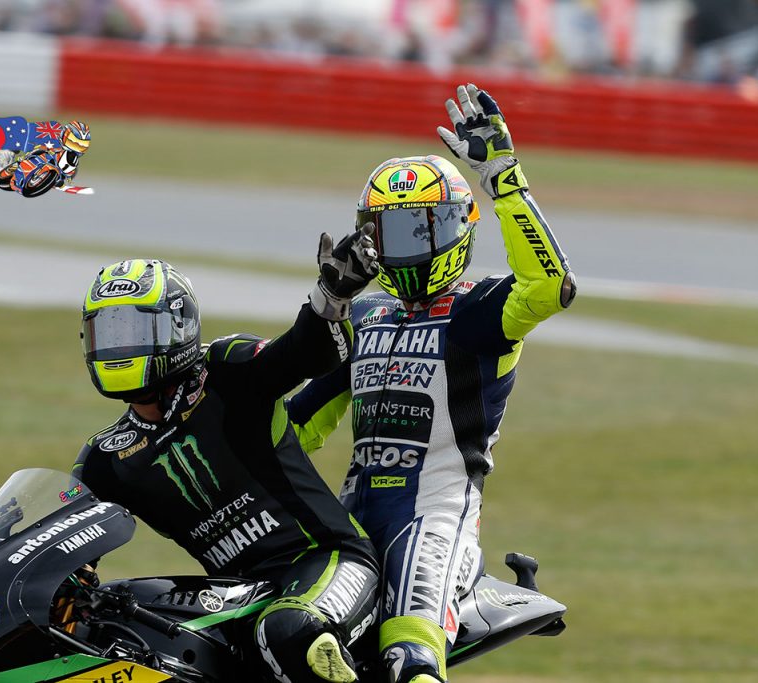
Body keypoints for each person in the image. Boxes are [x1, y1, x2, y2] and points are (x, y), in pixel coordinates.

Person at [288, 84, 576, 683]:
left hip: (436, 516)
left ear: (458, 229)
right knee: (292, 639)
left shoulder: (480, 309)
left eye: (424, 230)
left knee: (409, 658)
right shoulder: (361, 318)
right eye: (392, 233)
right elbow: (294, 428)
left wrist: (505, 179)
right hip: (350, 514)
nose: (408, 249)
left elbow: (551, 287)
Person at [72, 228, 382, 683]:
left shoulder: (228, 369)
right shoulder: (105, 460)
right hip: (236, 598)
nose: (121, 348)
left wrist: (332, 294)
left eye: (136, 330)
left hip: (329, 559)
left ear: (177, 327)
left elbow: (305, 353)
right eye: (110, 332)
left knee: (290, 630)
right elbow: (67, 545)